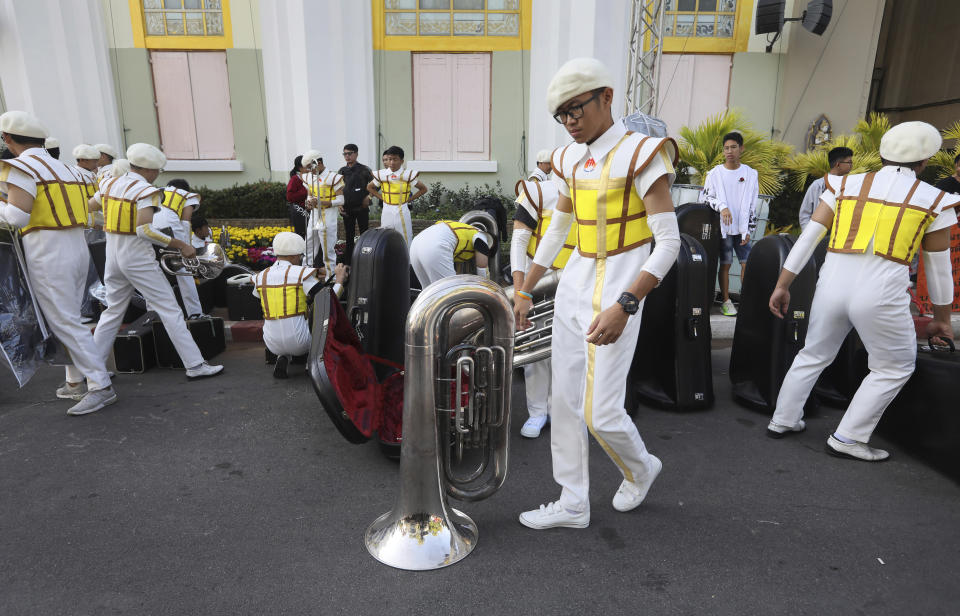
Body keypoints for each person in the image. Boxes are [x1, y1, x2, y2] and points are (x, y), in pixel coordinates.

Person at [513, 58, 680, 529]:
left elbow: (668, 242)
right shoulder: (567, 158)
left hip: (623, 282)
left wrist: (628, 304)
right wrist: (525, 287)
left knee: (601, 412)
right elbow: (558, 226)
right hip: (576, 280)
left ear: (606, 96)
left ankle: (641, 468)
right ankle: (572, 502)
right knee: (565, 400)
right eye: (561, 114)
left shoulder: (643, 152)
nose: (570, 121)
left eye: (576, 108)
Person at [767, 121, 959, 461]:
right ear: (925, 161)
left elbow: (809, 238)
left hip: (832, 282)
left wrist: (783, 284)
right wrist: (941, 320)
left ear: (883, 154)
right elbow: (939, 270)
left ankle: (783, 420)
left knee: (813, 353)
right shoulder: (937, 200)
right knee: (894, 365)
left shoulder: (843, 185)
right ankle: (848, 437)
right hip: (882, 290)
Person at [0, 110, 115, 415]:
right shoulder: (70, 170)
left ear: (8, 139)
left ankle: (100, 385)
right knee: (68, 317)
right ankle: (75, 381)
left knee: (64, 320)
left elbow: (16, 217)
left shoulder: (20, 167)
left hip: (47, 249)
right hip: (77, 247)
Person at [89, 142, 223, 381]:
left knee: (112, 312)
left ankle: (93, 369)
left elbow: (89, 208)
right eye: (157, 171)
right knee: (170, 309)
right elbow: (144, 231)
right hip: (137, 257)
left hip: (113, 255)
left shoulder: (110, 182)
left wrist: (107, 223)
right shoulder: (145, 191)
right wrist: (182, 245)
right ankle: (195, 364)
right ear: (150, 171)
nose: (157, 176)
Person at [511, 177, 576, 439]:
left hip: (577, 279)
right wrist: (520, 291)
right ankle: (537, 412)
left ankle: (562, 412)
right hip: (538, 281)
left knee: (571, 351)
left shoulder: (592, 186)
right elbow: (518, 241)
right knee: (534, 347)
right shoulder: (537, 190)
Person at [252, 231, 348, 378]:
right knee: (320, 311)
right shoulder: (301, 273)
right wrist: (340, 280)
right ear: (293, 256)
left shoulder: (261, 276)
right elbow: (329, 299)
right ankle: (312, 362)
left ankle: (282, 356)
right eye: (299, 255)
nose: (300, 258)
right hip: (301, 343)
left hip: (271, 343)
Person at [700, 132, 759, 316]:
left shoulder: (750, 173)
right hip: (724, 228)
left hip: (742, 229)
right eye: (726, 148)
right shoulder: (715, 173)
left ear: (741, 148)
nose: (729, 151)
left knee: (746, 264)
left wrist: (749, 228)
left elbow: (753, 203)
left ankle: (748, 301)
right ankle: (726, 301)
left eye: (733, 147)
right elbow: (706, 198)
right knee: (725, 264)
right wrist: (723, 207)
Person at [156, 178, 205, 318]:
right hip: (171, 226)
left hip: (150, 226)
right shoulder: (187, 195)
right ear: (186, 189)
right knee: (184, 271)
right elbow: (185, 221)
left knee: (157, 270)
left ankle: (155, 313)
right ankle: (195, 312)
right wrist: (187, 246)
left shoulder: (158, 191)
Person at [367, 146, 427, 247]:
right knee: (385, 235)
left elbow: (423, 189)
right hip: (387, 208)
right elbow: (369, 187)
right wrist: (382, 198)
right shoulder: (382, 174)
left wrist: (410, 199)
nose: (392, 162)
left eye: (395, 159)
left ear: (402, 161)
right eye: (389, 159)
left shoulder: (408, 175)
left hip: (402, 208)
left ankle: (408, 262)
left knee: (405, 235)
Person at [409, 219, 495, 287]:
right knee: (450, 292)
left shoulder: (464, 231)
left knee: (428, 293)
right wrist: (485, 286)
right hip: (435, 246)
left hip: (416, 243)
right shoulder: (482, 236)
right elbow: (482, 265)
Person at [301, 150, 344, 273]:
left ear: (318, 163)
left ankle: (331, 276)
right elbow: (309, 194)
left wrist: (322, 203)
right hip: (314, 216)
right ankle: (305, 274)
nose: (310, 171)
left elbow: (341, 200)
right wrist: (309, 202)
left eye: (311, 167)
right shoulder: (309, 177)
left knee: (327, 249)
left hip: (328, 216)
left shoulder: (333, 177)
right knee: (308, 245)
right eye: (308, 168)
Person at [798, 146, 853, 229]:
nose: (851, 165)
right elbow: (805, 213)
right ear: (838, 164)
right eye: (849, 162)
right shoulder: (818, 185)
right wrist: (810, 234)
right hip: (820, 235)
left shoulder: (850, 184)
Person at [338, 143, 374, 264]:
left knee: (364, 234)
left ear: (356, 154)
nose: (347, 156)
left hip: (361, 207)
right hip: (347, 208)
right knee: (349, 236)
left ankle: (365, 260)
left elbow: (377, 184)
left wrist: (369, 197)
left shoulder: (364, 170)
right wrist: (339, 204)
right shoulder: (342, 171)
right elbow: (337, 188)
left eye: (350, 153)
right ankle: (349, 262)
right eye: (345, 154)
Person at [286, 154, 310, 238]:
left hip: (310, 209)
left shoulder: (310, 177)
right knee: (302, 235)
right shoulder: (295, 179)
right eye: (307, 165)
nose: (310, 167)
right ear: (300, 167)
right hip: (299, 211)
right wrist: (306, 190)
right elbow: (290, 197)